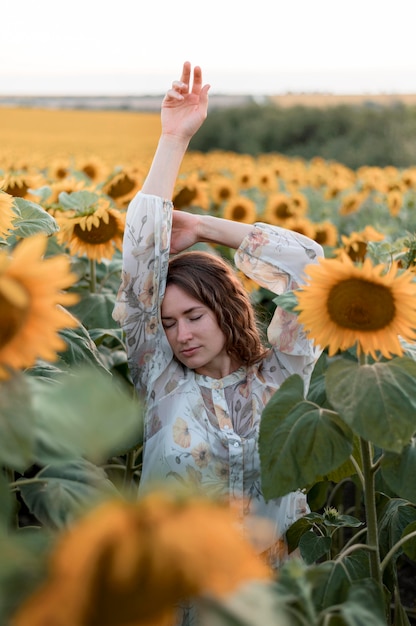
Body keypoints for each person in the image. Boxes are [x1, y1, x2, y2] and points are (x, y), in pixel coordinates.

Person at [113, 61, 323, 567]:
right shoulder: (160, 379)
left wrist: (206, 227)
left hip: (273, 600)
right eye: (167, 323)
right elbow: (142, 253)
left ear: (227, 310)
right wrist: (172, 139)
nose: (180, 334)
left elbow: (313, 270)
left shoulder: (282, 375)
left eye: (193, 315)